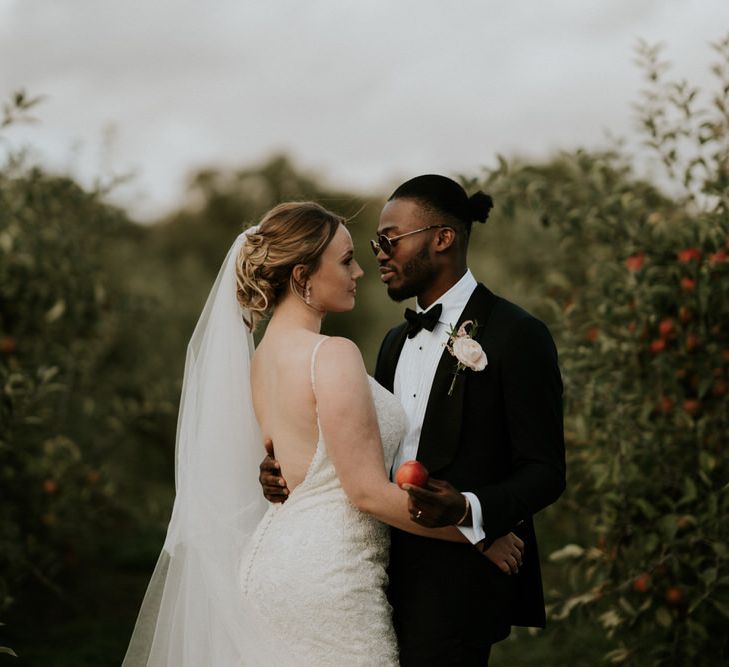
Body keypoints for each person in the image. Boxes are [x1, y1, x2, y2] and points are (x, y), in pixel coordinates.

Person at [123, 201, 523, 666]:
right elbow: (367, 492)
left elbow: (295, 464)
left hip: (274, 562)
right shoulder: (332, 355)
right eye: (346, 260)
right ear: (301, 277)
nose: (359, 272)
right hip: (330, 574)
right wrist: (475, 532)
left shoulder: (258, 361)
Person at [260, 176, 566, 665]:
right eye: (374, 244)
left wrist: (471, 513)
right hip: (367, 573)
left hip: (457, 586)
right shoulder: (392, 344)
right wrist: (290, 470)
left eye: (389, 239)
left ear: (442, 238)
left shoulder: (518, 335)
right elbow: (365, 453)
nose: (377, 254)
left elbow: (546, 470)